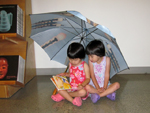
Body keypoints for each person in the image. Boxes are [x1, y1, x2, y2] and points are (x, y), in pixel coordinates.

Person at [51, 42, 90, 107]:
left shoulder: (84, 65)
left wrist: (82, 85)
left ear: (81, 57)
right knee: (58, 88)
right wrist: (64, 74)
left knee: (83, 92)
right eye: (70, 59)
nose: (72, 61)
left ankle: (63, 95)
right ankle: (73, 101)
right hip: (72, 87)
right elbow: (71, 74)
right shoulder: (70, 64)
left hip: (81, 88)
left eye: (75, 60)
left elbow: (88, 78)